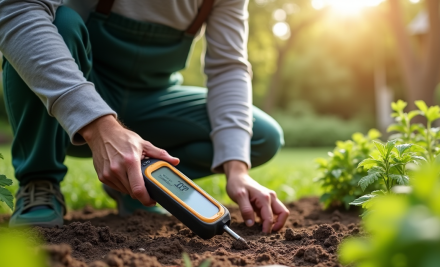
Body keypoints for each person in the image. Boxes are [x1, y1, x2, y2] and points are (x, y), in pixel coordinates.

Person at [0, 0, 289, 233]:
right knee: (56, 23)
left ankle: (139, 183)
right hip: (73, 104)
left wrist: (237, 169)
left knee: (261, 136)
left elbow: (228, 68)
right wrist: (98, 125)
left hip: (151, 101)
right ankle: (39, 182)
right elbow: (17, 9)